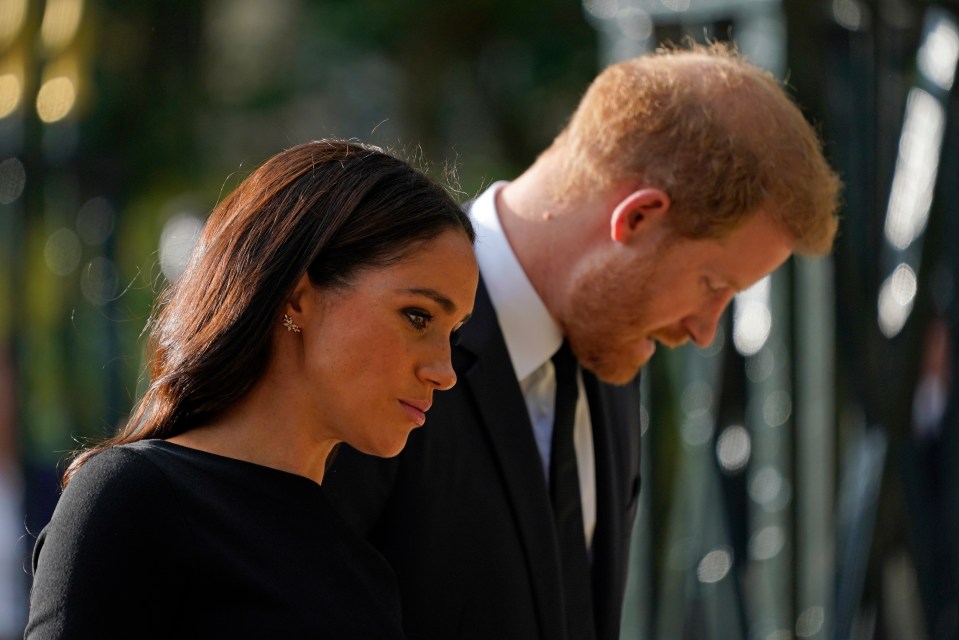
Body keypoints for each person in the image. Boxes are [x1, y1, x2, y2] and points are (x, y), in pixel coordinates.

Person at [323, 42, 841, 640]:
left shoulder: (611, 344)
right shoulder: (366, 343)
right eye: (712, 285)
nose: (704, 331)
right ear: (638, 218)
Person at [25, 140, 479, 638]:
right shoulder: (131, 502)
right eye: (418, 317)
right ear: (298, 296)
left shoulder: (364, 574)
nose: (445, 370)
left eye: (453, 335)